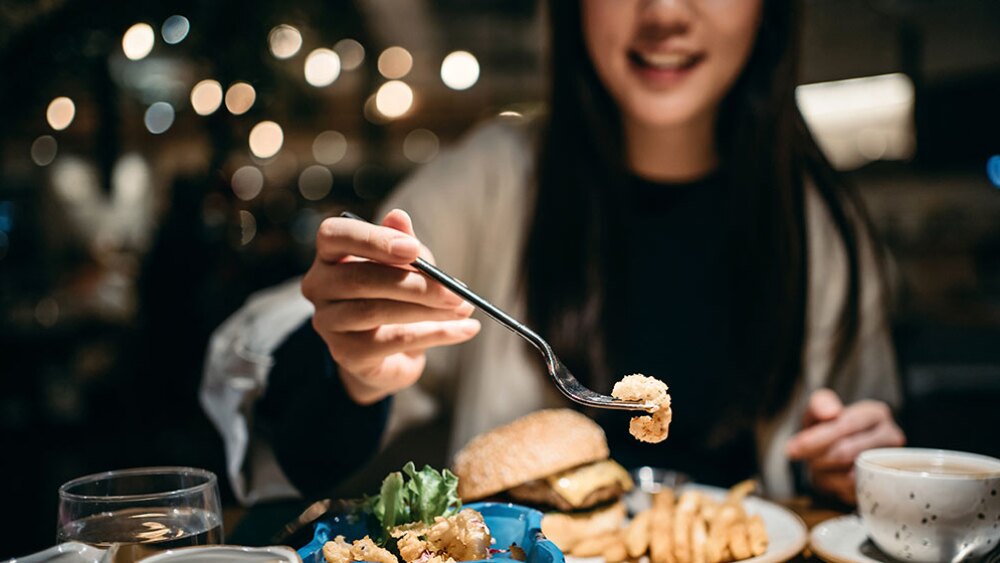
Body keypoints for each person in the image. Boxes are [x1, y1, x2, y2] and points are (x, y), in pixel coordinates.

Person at [201, 0, 904, 508]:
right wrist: (351, 372)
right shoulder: (494, 178)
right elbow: (304, 440)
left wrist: (850, 464)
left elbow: (858, 452)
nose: (663, 13)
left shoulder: (820, 222)